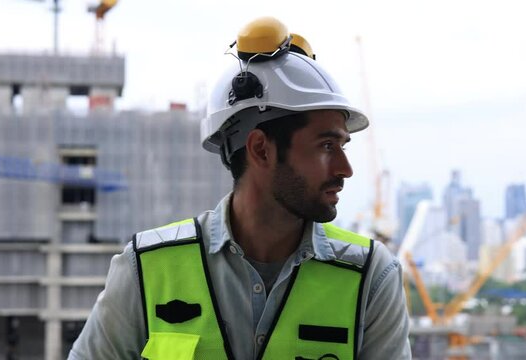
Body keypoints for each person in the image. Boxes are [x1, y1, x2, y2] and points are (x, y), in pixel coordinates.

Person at [69, 17, 411, 360]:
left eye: (343, 147)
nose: (344, 169)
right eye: (326, 147)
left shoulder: (370, 277)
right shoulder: (145, 269)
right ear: (261, 149)